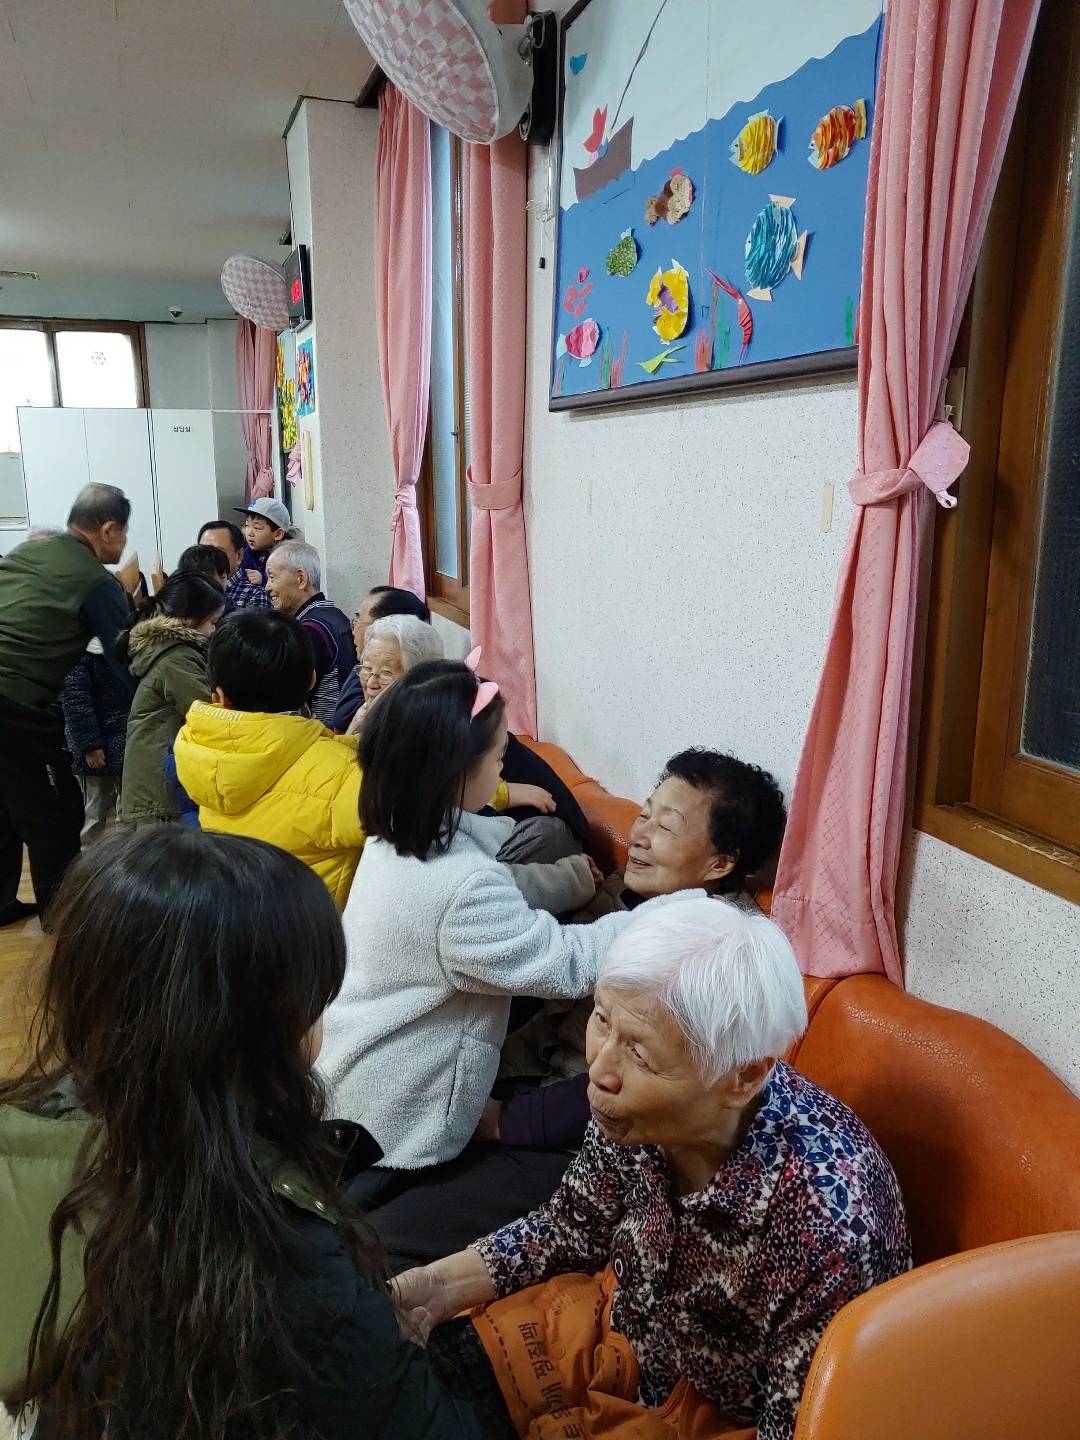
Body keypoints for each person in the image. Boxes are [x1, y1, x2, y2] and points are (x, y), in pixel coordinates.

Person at [0, 827, 486, 1439]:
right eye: (314, 1002)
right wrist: (383, 1346)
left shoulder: (28, 1130)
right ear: (258, 1031)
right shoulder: (265, 1242)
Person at [394, 900, 912, 1440]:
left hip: (721, 1415)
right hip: (622, 1336)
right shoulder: (629, 1107)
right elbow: (571, 1227)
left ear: (741, 1078)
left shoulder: (829, 1225)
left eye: (641, 1055)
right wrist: (436, 1288)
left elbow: (800, 1426)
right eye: (601, 1020)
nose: (600, 1069)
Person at [317, 660, 690, 1270]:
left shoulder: (400, 834)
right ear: (455, 771)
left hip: (357, 1065)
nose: (503, 770)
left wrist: (571, 879)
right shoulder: (456, 886)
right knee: (356, 1231)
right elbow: (566, 964)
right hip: (398, 1105)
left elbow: (496, 868)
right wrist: (674, 911)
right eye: (497, 757)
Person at [497, 749, 789, 1098]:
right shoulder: (626, 883)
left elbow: (644, 1083)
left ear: (720, 864)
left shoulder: (715, 953)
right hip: (531, 1061)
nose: (638, 836)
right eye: (645, 815)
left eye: (665, 826)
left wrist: (506, 1117)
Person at [0, 484, 134, 925]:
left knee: (5, 804)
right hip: (14, 702)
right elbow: (125, 660)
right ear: (108, 529)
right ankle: (65, 922)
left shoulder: (28, 552)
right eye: (124, 531)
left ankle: (2, 903)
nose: (125, 542)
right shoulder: (96, 581)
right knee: (55, 814)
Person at [174, 610, 368, 908]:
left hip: (238, 919)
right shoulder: (343, 773)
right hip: (313, 929)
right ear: (312, 679)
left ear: (220, 698)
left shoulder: (201, 750)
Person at [118, 573, 225, 826]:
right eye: (212, 622)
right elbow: (207, 713)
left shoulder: (171, 650)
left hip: (154, 783)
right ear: (187, 619)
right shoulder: (177, 658)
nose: (214, 630)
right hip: (156, 792)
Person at [266, 539, 356, 727]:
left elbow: (287, 699)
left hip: (322, 733)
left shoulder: (310, 630)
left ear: (301, 579)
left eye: (272, 578)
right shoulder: (334, 615)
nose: (267, 587)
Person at [61, 638, 132, 842]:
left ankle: (123, 853)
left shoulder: (122, 648)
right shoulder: (79, 656)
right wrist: (90, 746)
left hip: (125, 739)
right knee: (93, 813)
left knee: (127, 810)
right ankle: (88, 857)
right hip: (94, 745)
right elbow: (76, 702)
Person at [333, 612, 443, 734]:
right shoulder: (362, 720)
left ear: (421, 679)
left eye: (386, 673)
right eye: (367, 668)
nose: (370, 684)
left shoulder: (428, 731)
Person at [197, 518, 272, 611]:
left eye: (218, 552)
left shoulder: (255, 594)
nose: (209, 557)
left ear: (239, 555)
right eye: (203, 551)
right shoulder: (190, 588)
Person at [232, 496, 290, 589]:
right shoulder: (242, 551)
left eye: (257, 528)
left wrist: (264, 579)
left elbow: (287, 583)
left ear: (278, 534)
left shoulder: (289, 559)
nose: (249, 533)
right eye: (247, 525)